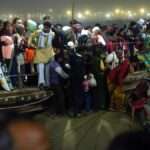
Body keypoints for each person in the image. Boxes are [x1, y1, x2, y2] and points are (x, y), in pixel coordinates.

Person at [28, 21, 55, 89]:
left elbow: (53, 43)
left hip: (49, 54)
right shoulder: (39, 32)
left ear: (50, 27)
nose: (46, 29)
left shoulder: (52, 34)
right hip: (39, 53)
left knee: (47, 71)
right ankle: (41, 83)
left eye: (47, 28)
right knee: (40, 69)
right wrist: (31, 45)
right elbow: (31, 36)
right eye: (45, 27)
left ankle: (47, 84)